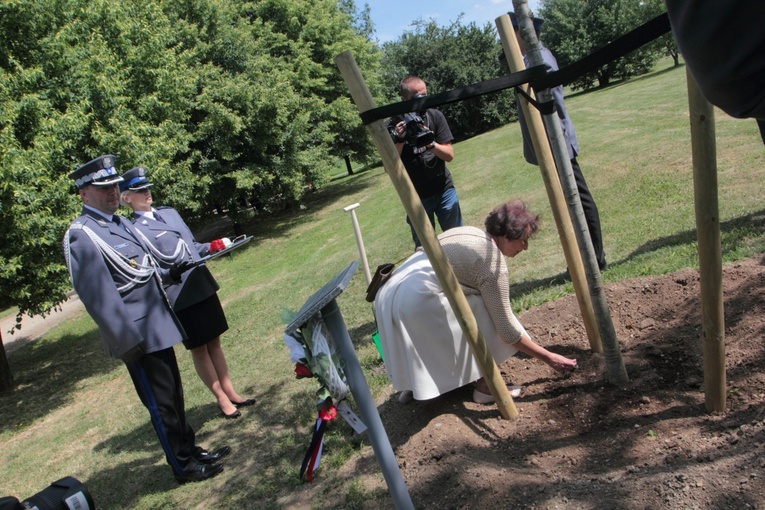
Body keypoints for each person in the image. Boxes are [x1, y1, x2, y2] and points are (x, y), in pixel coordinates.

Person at [62, 155, 229, 484]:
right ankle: (183, 466)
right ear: (83, 194)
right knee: (161, 403)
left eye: (113, 186)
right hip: (137, 335)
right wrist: (128, 343)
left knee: (175, 395)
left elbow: (148, 270)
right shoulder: (83, 234)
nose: (112, 192)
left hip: (157, 322)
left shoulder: (118, 223)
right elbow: (99, 298)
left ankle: (189, 449)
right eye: (103, 188)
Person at [373, 200, 578, 404]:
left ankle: (414, 384)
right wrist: (549, 357)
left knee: (465, 303)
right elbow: (506, 330)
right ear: (507, 237)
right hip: (415, 298)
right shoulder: (492, 263)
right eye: (523, 240)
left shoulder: (472, 232)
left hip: (387, 295)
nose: (525, 248)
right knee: (481, 308)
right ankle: (486, 387)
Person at [119, 166, 255, 419]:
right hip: (178, 294)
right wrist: (169, 274)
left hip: (200, 284)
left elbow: (191, 246)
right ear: (126, 198)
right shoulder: (132, 229)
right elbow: (145, 268)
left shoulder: (169, 214)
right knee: (199, 349)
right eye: (139, 191)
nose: (147, 193)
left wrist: (212, 246)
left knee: (214, 341)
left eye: (147, 188)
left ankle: (232, 391)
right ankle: (222, 399)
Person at [501, 12, 608, 271]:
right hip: (550, 143)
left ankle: (595, 259)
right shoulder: (527, 59)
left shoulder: (539, 59)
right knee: (570, 201)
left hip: (556, 142)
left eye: (509, 36)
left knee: (578, 199)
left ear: (521, 33)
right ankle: (586, 260)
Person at [393, 75, 463, 248]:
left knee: (458, 240)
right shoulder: (393, 125)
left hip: (444, 190)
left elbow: (449, 155)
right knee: (425, 248)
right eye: (418, 98)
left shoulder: (435, 116)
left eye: (425, 95)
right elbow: (390, 168)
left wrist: (430, 142)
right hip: (416, 197)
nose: (423, 102)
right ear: (404, 100)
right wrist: (399, 140)